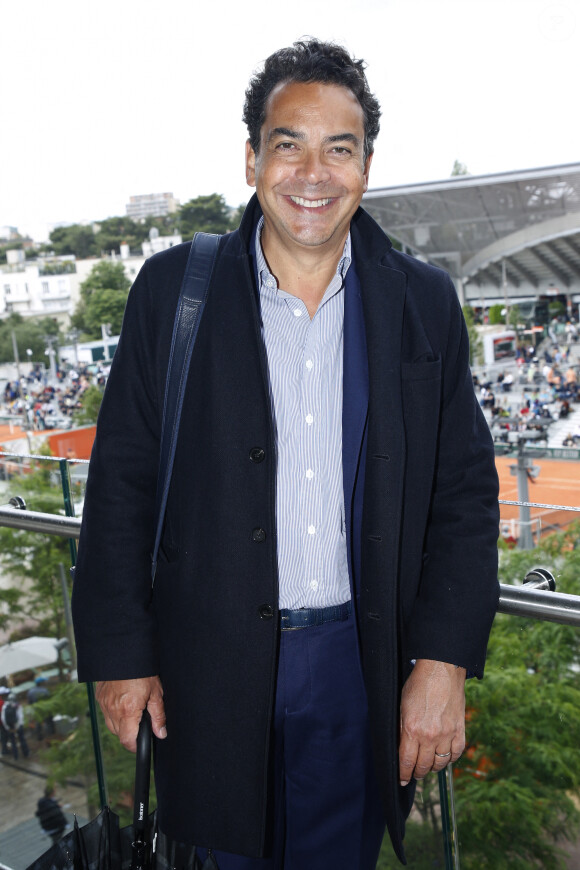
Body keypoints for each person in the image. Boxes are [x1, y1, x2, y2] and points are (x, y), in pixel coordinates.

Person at [72, 39, 499, 869]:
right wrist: (122, 656)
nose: (313, 172)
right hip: (207, 664)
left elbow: (463, 494)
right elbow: (119, 481)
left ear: (367, 166)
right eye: (288, 144)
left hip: (359, 662)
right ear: (251, 158)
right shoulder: (174, 291)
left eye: (339, 148)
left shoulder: (423, 302)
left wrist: (442, 663)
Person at [0, 693, 29, 760]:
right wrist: (19, 725)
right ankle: (26, 753)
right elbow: (20, 717)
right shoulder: (18, 705)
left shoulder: (5, 706)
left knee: (13, 742)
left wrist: (7, 727)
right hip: (18, 726)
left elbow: (3, 718)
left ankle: (16, 756)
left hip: (10, 727)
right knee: (22, 739)